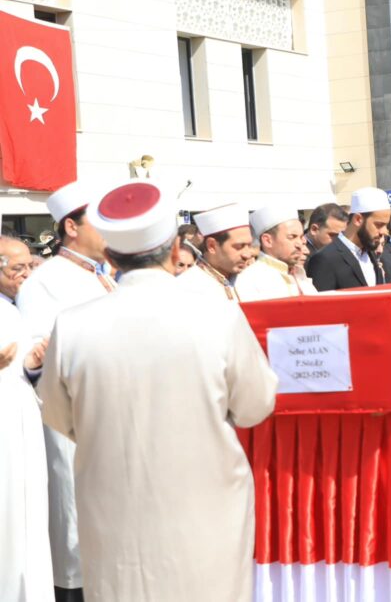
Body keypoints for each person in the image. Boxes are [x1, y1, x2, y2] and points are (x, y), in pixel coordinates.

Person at [38, 180, 278, 602]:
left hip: (114, 509)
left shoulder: (73, 325)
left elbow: (58, 416)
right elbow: (256, 405)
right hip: (206, 509)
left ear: (110, 255)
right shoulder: (217, 316)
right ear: (173, 252)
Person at [17, 181, 114, 602]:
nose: (109, 232)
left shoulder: (106, 276)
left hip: (114, 418)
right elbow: (36, 355)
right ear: (71, 227)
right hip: (75, 422)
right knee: (77, 527)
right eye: (100, 222)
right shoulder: (45, 282)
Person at [0, 236, 53, 600]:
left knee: (27, 518)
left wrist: (33, 364)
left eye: (28, 266)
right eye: (16, 268)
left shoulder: (13, 308)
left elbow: (17, 369)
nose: (24, 275)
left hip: (21, 424)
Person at [308, 187, 391, 290]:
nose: (384, 232)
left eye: (386, 225)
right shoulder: (325, 259)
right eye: (379, 225)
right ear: (358, 219)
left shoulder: (371, 254)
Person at [235, 206, 316, 300]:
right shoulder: (250, 280)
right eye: (292, 237)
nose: (299, 244)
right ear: (267, 241)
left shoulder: (300, 274)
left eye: (301, 237)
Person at [178, 204, 253, 301]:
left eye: (249, 245)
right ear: (212, 246)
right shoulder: (186, 289)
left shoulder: (256, 281)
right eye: (239, 247)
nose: (247, 255)